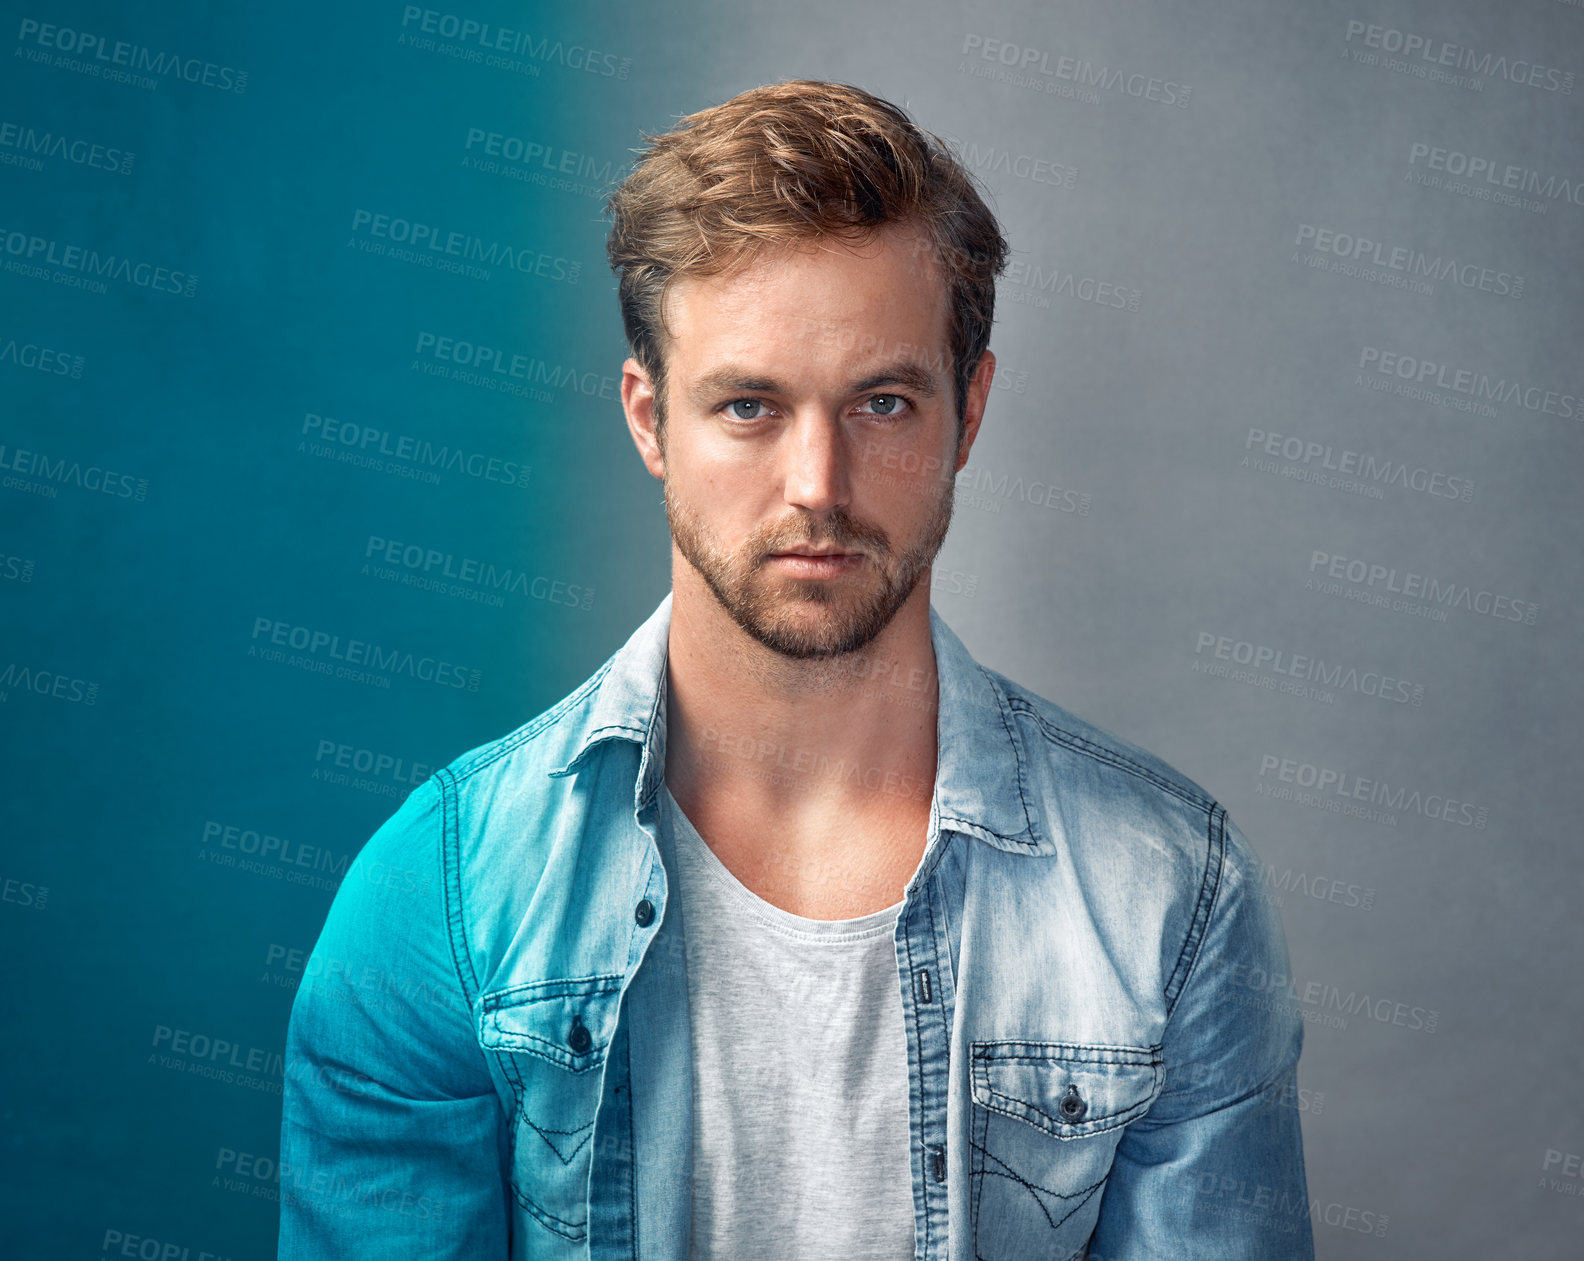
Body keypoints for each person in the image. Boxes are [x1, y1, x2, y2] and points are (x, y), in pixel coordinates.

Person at [278, 80, 1314, 1260]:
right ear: (649, 416)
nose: (817, 483)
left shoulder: (1169, 897)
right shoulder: (444, 896)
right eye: (750, 407)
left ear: (968, 414)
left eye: (881, 402)